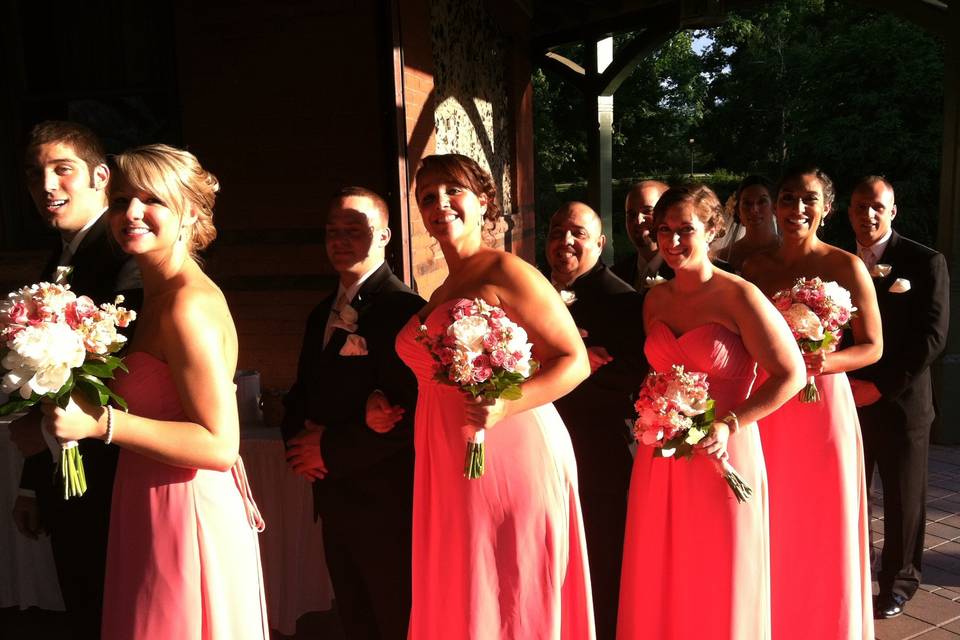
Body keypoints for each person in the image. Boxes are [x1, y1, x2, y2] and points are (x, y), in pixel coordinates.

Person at [44, 144, 269, 639]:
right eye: (122, 198)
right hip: (145, 501)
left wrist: (100, 424)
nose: (131, 213)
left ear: (189, 210)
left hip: (185, 510)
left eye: (152, 199)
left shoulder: (188, 306)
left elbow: (219, 444)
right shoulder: (151, 299)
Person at [395, 153, 595, 639]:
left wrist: (506, 402)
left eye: (452, 190)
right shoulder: (443, 287)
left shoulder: (507, 271)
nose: (439, 203)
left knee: (510, 588)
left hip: (509, 451)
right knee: (463, 589)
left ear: (484, 202)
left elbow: (575, 360)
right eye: (427, 197)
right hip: (448, 460)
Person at [617, 185, 805, 640]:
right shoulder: (655, 299)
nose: (673, 241)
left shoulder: (739, 296)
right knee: (662, 564)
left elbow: (791, 374)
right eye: (665, 230)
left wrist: (729, 423)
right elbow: (658, 373)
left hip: (723, 454)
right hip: (661, 457)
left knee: (719, 566)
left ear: (714, 230)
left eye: (686, 230)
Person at [10, 120, 141, 640]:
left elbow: (122, 373)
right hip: (63, 475)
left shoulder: (124, 260)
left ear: (100, 176)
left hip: (112, 472)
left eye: (63, 170)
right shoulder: (57, 259)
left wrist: (45, 439)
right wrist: (30, 483)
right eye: (36, 174)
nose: (47, 186)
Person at [742, 166, 880, 639]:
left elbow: (873, 346)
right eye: (787, 198)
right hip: (770, 404)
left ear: (826, 207)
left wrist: (825, 361)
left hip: (823, 410)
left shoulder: (846, 266)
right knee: (773, 516)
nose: (796, 208)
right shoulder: (756, 269)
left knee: (824, 522)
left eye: (808, 199)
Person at [281, 187, 424, 639]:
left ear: (383, 235)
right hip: (335, 499)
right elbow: (301, 392)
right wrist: (297, 445)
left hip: (386, 503)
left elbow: (409, 415)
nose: (340, 240)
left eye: (354, 230)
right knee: (355, 618)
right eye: (332, 231)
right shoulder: (320, 313)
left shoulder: (404, 310)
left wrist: (328, 449)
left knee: (394, 618)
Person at [846, 176, 949, 619]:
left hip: (903, 403)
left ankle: (899, 584)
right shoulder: (836, 261)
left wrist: (880, 385)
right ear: (847, 211)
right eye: (859, 206)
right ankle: (850, 576)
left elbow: (932, 338)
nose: (867, 214)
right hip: (847, 400)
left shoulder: (925, 262)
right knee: (849, 494)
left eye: (877, 206)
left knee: (905, 500)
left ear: (893, 211)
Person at [545, 201, 646, 639]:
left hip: (599, 453)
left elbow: (633, 379)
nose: (565, 241)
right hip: (541, 450)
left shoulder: (623, 300)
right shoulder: (532, 290)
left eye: (578, 233)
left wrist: (576, 369)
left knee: (601, 560)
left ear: (601, 243)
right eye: (556, 231)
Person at [612, 179, 671, 288]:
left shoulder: (683, 273)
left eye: (648, 211)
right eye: (631, 214)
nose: (638, 220)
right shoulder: (616, 275)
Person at [723, 175, 779, 272]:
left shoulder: (790, 252)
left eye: (762, 201)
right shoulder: (723, 256)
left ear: (774, 207)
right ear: (737, 210)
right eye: (747, 203)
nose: (754, 210)